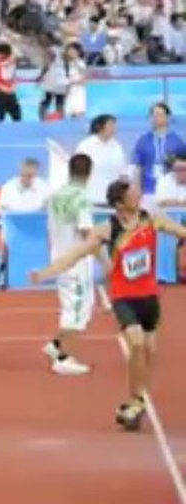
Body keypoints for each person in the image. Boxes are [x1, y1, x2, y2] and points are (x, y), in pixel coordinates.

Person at [32, 180, 185, 431]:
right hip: (124, 298)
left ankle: (139, 399)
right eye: (133, 193)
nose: (138, 195)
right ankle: (135, 398)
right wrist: (47, 272)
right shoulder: (106, 230)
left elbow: (181, 231)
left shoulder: (152, 220)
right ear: (119, 203)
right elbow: (76, 254)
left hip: (150, 297)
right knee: (135, 343)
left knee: (149, 352)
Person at [42, 153, 96, 376]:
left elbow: (49, 228)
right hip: (76, 261)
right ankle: (64, 359)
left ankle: (55, 345)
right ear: (89, 172)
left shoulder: (55, 196)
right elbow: (87, 231)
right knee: (76, 311)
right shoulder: (81, 198)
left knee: (74, 306)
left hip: (59, 256)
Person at [131, 103, 183, 197]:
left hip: (171, 191)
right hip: (148, 191)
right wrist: (136, 189)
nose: (155, 118)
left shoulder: (177, 141)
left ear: (168, 117)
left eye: (159, 115)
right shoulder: (143, 140)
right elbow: (137, 167)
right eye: (152, 115)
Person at [76, 114, 129, 205]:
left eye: (114, 125)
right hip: (91, 198)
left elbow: (123, 173)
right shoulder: (85, 146)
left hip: (112, 200)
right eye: (110, 125)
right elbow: (77, 173)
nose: (114, 128)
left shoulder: (117, 147)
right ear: (99, 127)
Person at [0, 42, 21, 123]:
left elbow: (13, 73)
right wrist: (1, 87)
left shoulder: (11, 57)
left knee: (17, 118)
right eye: (4, 56)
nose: (6, 57)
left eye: (7, 56)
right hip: (0, 93)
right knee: (0, 119)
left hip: (11, 93)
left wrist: (14, 84)